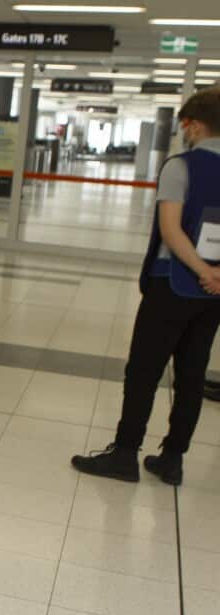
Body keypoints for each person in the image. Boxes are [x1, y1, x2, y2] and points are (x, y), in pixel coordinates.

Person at [73, 87, 220, 486]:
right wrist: (215, 275)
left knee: (144, 369)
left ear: (193, 123)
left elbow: (171, 231)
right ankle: (173, 458)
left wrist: (201, 269)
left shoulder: (181, 166)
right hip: (213, 295)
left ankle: (124, 454)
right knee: (192, 372)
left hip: (172, 283)